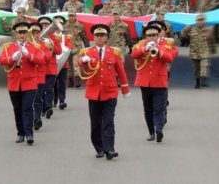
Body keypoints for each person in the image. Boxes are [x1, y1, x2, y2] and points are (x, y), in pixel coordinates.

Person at [77, 24, 130, 160]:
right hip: (94, 92)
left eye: (102, 36)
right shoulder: (87, 52)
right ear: (93, 37)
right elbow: (80, 65)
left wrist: (125, 88)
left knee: (108, 121)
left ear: (106, 37)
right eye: (97, 36)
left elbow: (121, 71)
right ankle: (99, 147)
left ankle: (109, 149)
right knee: (95, 123)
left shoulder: (114, 52)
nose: (99, 38)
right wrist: (83, 60)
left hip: (110, 92)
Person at [0, 22, 44, 145]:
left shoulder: (34, 46)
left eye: (24, 32)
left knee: (28, 108)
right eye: (20, 33)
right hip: (14, 82)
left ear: (27, 34)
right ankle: (20, 133)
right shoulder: (8, 47)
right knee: (17, 109)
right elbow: (1, 60)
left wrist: (28, 54)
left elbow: (40, 60)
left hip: (29, 82)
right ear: (16, 34)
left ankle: (29, 134)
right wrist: (12, 58)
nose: (22, 35)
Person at [132, 24, 174, 142]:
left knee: (159, 108)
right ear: (146, 36)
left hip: (159, 81)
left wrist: (159, 51)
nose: (152, 37)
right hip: (145, 82)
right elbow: (134, 55)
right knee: (148, 109)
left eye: (154, 35)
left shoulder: (165, 45)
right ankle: (151, 132)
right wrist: (145, 48)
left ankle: (159, 130)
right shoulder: (141, 44)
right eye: (149, 35)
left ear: (158, 35)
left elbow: (170, 58)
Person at [38, 17, 62, 119]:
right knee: (41, 90)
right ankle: (43, 108)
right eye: (42, 25)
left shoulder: (54, 38)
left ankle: (48, 108)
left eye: (46, 25)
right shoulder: (37, 37)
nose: (44, 26)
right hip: (40, 68)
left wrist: (52, 47)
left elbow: (59, 51)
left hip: (51, 68)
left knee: (49, 89)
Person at [180, 14, 214, 88]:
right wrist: (186, 29)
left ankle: (203, 79)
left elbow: (211, 40)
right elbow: (182, 36)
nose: (200, 22)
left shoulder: (207, 29)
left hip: (204, 51)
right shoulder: (191, 29)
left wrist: (213, 49)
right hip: (194, 52)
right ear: (196, 21)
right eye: (199, 20)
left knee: (204, 66)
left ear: (204, 21)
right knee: (196, 69)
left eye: (202, 20)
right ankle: (197, 81)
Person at [28, 22, 49, 130]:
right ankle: (29, 118)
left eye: (37, 33)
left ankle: (37, 118)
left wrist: (39, 49)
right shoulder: (26, 44)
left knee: (37, 98)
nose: (36, 35)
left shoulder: (44, 44)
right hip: (28, 76)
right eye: (33, 33)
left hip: (40, 76)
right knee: (29, 101)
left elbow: (47, 58)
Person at [64, 10, 89, 87]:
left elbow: (84, 38)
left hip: (77, 47)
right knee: (69, 65)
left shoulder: (80, 26)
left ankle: (77, 80)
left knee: (76, 64)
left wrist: (87, 48)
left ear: (75, 16)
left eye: (72, 16)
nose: (71, 17)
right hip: (67, 48)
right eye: (70, 16)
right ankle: (70, 80)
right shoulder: (64, 26)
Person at [52, 15, 73, 109]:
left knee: (62, 83)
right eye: (57, 24)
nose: (58, 27)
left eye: (60, 24)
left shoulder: (66, 37)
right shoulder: (50, 37)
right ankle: (54, 99)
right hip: (52, 64)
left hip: (63, 64)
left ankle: (62, 100)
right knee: (53, 83)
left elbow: (70, 48)